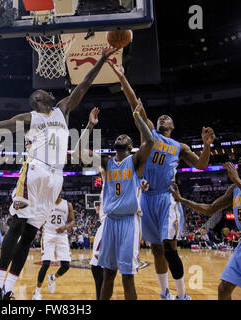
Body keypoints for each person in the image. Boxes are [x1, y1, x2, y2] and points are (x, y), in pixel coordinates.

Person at [0, 48, 118, 300]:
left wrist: (101, 60)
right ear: (38, 99)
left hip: (56, 177)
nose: (53, 93)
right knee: (17, 226)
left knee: (31, 232)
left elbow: (84, 85)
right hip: (35, 170)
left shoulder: (63, 110)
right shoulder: (30, 117)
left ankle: (7, 289)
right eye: (47, 92)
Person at [108, 62, 216, 300]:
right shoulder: (149, 133)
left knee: (169, 248)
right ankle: (165, 292)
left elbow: (201, 165)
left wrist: (207, 147)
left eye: (167, 117)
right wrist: (122, 78)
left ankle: (182, 295)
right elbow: (133, 102)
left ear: (172, 126)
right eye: (161, 117)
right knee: (156, 249)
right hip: (146, 199)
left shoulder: (180, 146)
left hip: (166, 198)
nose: (163, 117)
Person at [74, 103, 154, 300]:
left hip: (128, 221)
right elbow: (78, 153)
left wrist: (138, 118)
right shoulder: (106, 163)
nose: (121, 137)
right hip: (109, 221)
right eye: (118, 137)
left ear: (130, 146)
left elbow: (150, 141)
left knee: (127, 276)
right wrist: (90, 126)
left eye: (125, 138)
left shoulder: (135, 162)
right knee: (108, 274)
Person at [169, 150, 241, 300]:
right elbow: (210, 209)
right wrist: (181, 200)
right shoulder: (235, 189)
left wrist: (237, 180)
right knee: (223, 288)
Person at [32, 196, 75, 300]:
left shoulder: (67, 204)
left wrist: (65, 227)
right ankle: (37, 292)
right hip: (48, 234)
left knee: (66, 266)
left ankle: (52, 277)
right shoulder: (46, 203)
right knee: (46, 263)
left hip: (62, 235)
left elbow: (72, 221)